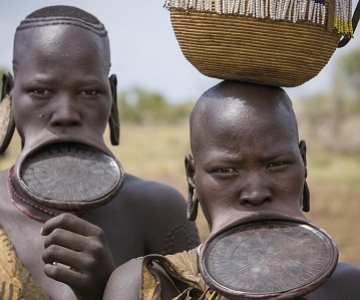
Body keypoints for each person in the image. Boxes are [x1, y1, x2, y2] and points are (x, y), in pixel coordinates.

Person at [0, 5, 199, 300]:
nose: (66, 114)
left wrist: (112, 287)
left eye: (89, 92)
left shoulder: (158, 210)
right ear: (9, 93)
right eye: (41, 91)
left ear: (112, 95)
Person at [103, 80, 360, 300]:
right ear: (192, 176)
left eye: (277, 164)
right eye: (226, 170)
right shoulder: (145, 287)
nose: (256, 193)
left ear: (303, 162)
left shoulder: (347, 288)